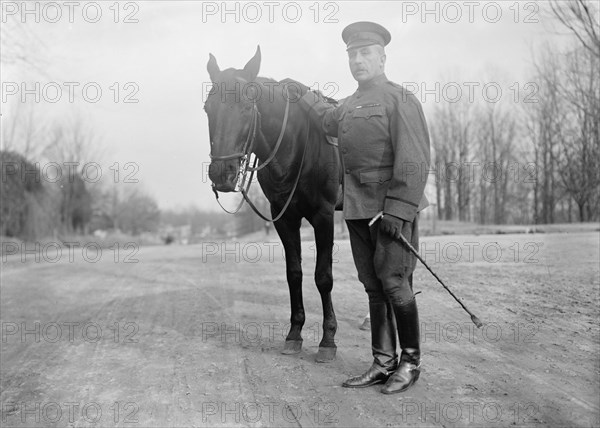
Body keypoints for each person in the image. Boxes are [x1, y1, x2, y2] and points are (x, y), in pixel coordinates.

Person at [298, 21, 430, 394]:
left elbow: (415, 159)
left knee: (394, 282)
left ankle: (410, 362)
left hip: (389, 210)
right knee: (373, 287)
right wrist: (302, 93)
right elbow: (325, 117)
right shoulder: (348, 106)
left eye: (365, 53)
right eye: (352, 54)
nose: (358, 60)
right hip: (357, 208)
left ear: (382, 57)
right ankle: (382, 362)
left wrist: (398, 210)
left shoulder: (400, 99)